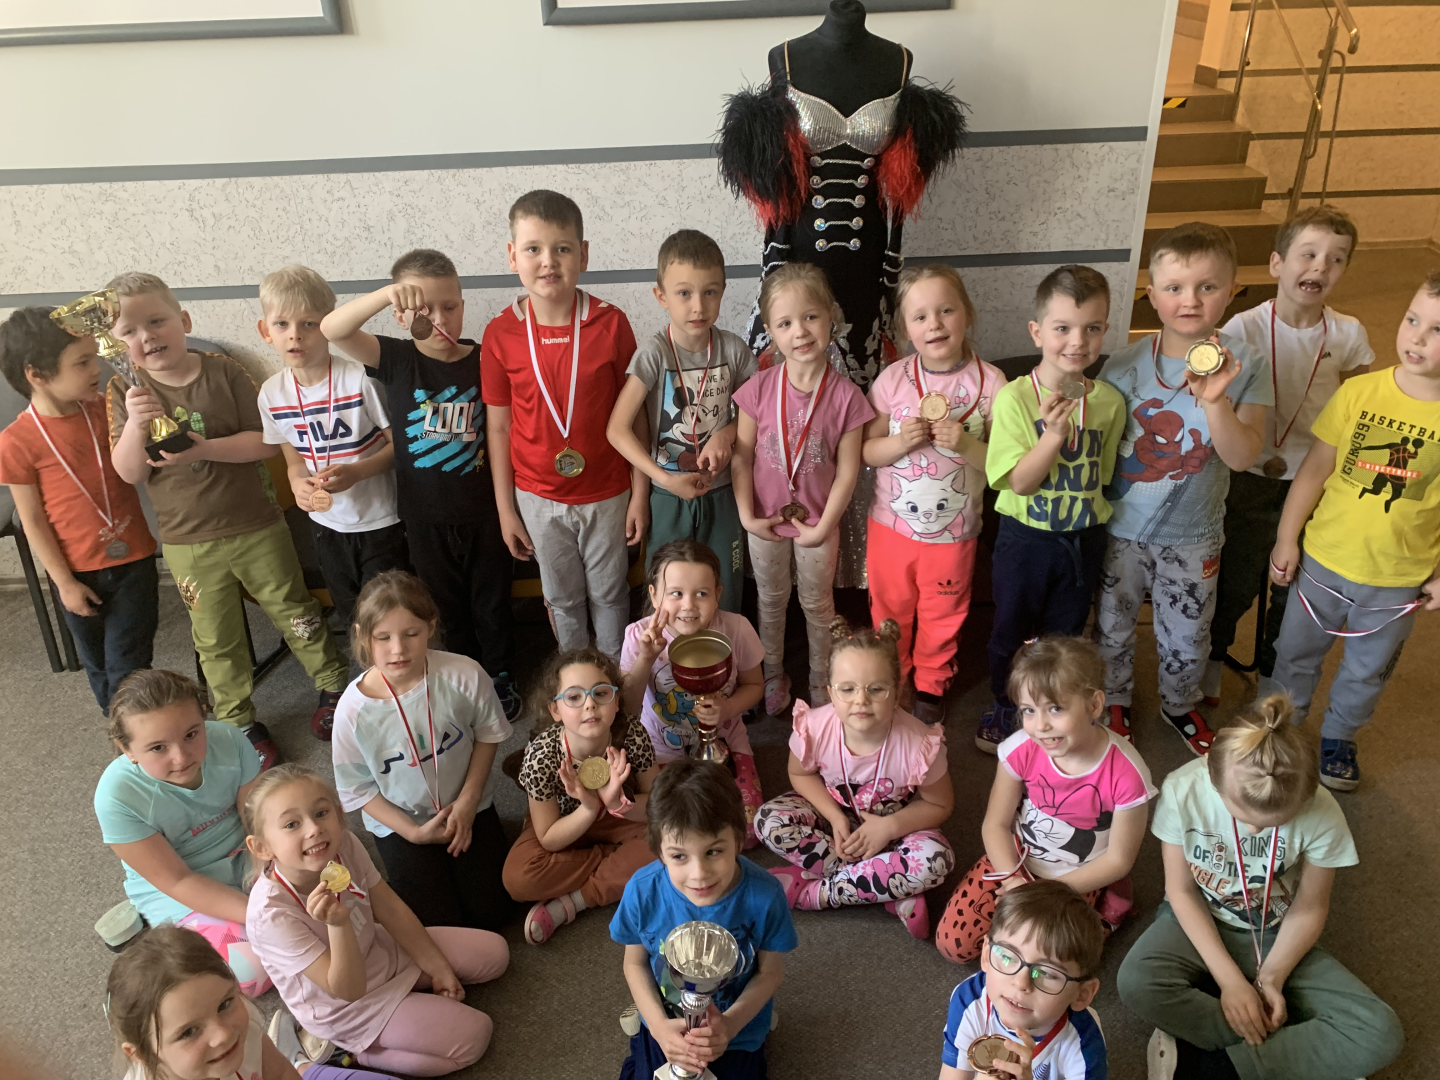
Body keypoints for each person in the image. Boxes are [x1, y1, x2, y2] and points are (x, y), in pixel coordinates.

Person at [106, 272, 347, 767]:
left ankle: (333, 686)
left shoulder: (224, 372)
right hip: (186, 541)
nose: (147, 336)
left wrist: (204, 449)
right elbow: (129, 471)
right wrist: (135, 423)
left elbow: (266, 442)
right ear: (115, 343)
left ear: (184, 320)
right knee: (215, 637)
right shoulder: (124, 388)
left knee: (294, 609)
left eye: (157, 321)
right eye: (129, 331)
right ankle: (238, 722)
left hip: (257, 525)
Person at [1118, 697, 1403, 1080]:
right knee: (1136, 982)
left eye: (1274, 824)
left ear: (1306, 797)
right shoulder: (1183, 789)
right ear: (1212, 778)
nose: (1254, 830)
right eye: (1241, 817)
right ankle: (1289, 1051)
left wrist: (1271, 978)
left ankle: (1213, 1066)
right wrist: (1230, 982)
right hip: (1196, 922)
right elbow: (1181, 892)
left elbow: (1310, 906)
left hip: (1276, 933)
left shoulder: (1323, 812)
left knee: (1380, 1031)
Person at [320, 248, 520, 718]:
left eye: (450, 306)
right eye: (425, 309)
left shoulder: (485, 358)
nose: (441, 319)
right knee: (445, 606)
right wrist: (388, 293)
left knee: (492, 603)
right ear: (402, 313)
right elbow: (333, 329)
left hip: (486, 513)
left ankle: (500, 673)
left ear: (463, 305)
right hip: (424, 518)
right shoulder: (395, 358)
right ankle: (464, 674)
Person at [1094, 224, 1271, 752]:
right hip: (1122, 529)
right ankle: (1115, 697)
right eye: (1174, 287)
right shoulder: (1123, 365)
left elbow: (1242, 456)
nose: (1189, 300)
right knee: (1112, 625)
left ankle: (1179, 702)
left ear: (1232, 289)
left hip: (1195, 536)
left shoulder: (1248, 364)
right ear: (1152, 295)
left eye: (1207, 286)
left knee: (1189, 633)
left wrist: (1215, 402)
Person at [1267, 272, 1440, 791]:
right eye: (1413, 319)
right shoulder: (1360, 391)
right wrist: (1287, 538)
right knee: (1294, 652)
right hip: (1323, 561)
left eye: (1437, 330)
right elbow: (1314, 471)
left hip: (1397, 578)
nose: (1416, 336)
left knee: (1367, 669)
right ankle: (1280, 723)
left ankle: (1340, 737)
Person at [1203, 208, 1372, 703]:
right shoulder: (1243, 327)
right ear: (1277, 263)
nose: (1320, 267)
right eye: (1308, 254)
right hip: (1250, 475)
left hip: (1315, 478)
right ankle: (1212, 655)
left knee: (1294, 589)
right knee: (1235, 579)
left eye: (1336, 259)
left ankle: (1275, 679)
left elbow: (1358, 411)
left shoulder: (1348, 334)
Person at [244, 764, 508, 1077]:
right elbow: (348, 989)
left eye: (321, 813)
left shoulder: (344, 844)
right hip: (347, 1006)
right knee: (474, 1036)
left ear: (339, 814)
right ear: (262, 847)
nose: (313, 829)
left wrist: (436, 966)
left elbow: (391, 909)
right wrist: (338, 925)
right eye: (291, 824)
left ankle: (407, 1005)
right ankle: (355, 1051)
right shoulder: (270, 916)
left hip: (381, 950)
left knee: (496, 954)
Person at [482, 189, 644, 659]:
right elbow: (498, 429)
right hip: (537, 496)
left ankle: (614, 679)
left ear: (583, 255)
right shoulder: (500, 334)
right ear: (513, 255)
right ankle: (575, 680)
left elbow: (637, 417)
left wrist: (640, 493)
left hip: (608, 492)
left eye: (562, 248)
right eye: (533, 248)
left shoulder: (611, 324)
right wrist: (506, 509)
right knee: (562, 598)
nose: (548, 261)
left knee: (611, 593)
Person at [936, 637, 1155, 965]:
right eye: (1029, 710)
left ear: (1094, 705)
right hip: (1017, 861)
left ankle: (1110, 904)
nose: (1040, 726)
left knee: (1051, 960)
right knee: (954, 945)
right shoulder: (1020, 748)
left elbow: (1119, 860)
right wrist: (1013, 879)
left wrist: (1048, 891)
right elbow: (995, 825)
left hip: (1078, 875)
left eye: (1056, 708)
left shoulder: (1127, 774)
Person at [979, 266, 1125, 751]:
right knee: (1010, 631)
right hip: (1025, 541)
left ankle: (1053, 711)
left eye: (1092, 328)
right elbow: (1020, 482)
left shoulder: (1109, 402)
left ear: (1105, 330)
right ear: (1037, 331)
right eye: (1063, 328)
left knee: (1066, 640)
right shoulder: (1015, 398)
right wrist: (1054, 436)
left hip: (1082, 541)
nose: (1077, 341)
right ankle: (1006, 703)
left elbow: (1103, 477)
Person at [330, 571, 515, 931]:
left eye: (411, 634)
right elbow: (358, 789)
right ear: (363, 637)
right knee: (436, 923)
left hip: (468, 805)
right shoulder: (352, 711)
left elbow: (488, 734)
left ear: (430, 627)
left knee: (493, 914)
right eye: (383, 637)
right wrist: (412, 834)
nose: (398, 649)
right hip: (401, 823)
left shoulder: (465, 674)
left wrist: (468, 800)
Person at [863, 265, 1004, 725]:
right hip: (891, 530)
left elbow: (1003, 468)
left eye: (946, 311)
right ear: (905, 328)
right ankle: (892, 678)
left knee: (944, 613)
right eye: (920, 316)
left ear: (968, 313)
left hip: (954, 534)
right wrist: (899, 443)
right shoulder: (891, 380)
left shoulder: (993, 384)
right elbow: (866, 450)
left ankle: (931, 684)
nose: (935, 324)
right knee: (890, 611)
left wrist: (965, 444)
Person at [0, 307, 157, 714]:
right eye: (82, 362)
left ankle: (134, 735)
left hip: (133, 560)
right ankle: (125, 733)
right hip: (74, 572)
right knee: (99, 666)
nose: (96, 369)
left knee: (129, 665)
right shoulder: (17, 441)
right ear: (37, 374)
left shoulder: (107, 410)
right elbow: (32, 520)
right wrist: (64, 582)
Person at [757, 617, 954, 939]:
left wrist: (889, 827)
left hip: (896, 829)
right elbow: (799, 773)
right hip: (833, 820)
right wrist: (835, 817)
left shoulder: (919, 743)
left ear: (896, 692)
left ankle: (817, 892)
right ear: (831, 693)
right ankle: (889, 887)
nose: (861, 700)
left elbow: (940, 804)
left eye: (876, 689)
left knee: (936, 860)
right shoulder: (814, 727)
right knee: (768, 821)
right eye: (847, 689)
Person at [733, 262, 872, 713]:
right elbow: (742, 456)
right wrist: (747, 516)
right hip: (764, 521)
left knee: (818, 604)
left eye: (811, 317)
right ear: (770, 331)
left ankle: (820, 677)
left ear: (831, 315)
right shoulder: (757, 389)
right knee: (771, 601)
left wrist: (824, 526)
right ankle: (772, 672)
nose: (800, 331)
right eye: (786, 323)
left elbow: (848, 472)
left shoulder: (847, 397)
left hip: (819, 525)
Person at [611, 759, 798, 1080]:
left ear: (738, 839)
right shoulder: (643, 890)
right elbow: (634, 963)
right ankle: (642, 1024)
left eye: (713, 851)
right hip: (666, 1022)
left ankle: (762, 1023)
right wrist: (658, 1026)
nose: (699, 874)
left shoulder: (765, 895)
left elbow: (770, 972)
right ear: (659, 851)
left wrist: (731, 1024)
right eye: (679, 856)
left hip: (736, 1030)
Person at [93, 669, 270, 996]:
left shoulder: (230, 740)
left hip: (246, 852)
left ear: (203, 717)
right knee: (251, 971)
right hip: (176, 884)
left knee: (333, 865)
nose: (181, 757)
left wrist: (277, 876)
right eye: (158, 748)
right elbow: (177, 880)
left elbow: (258, 823)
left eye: (191, 734)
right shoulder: (116, 797)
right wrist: (266, 913)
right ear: (126, 749)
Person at [607, 229, 758, 611]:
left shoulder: (734, 350)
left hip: (723, 492)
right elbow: (617, 430)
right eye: (684, 293)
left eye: (710, 292)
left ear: (723, 291)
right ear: (661, 296)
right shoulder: (654, 354)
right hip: (667, 495)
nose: (698, 306)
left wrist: (727, 433)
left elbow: (757, 415)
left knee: (724, 592)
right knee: (667, 593)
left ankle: (724, 651)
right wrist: (660, 481)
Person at [255, 264, 405, 637]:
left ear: (328, 325)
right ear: (265, 331)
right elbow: (293, 461)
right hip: (327, 527)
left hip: (380, 521)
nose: (295, 335)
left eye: (309, 323)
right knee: (351, 613)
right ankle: (369, 671)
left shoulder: (360, 380)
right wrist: (297, 484)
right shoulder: (271, 394)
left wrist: (358, 472)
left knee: (387, 613)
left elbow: (400, 448)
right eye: (282, 324)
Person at [503, 647, 659, 945]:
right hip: (563, 822)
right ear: (555, 710)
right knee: (518, 879)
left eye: (601, 693)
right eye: (574, 697)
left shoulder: (632, 734)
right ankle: (616, 861)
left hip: (619, 818)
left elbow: (657, 806)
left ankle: (576, 900)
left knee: (670, 840)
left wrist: (615, 803)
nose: (590, 704)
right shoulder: (541, 755)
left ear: (616, 702)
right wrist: (588, 809)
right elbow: (549, 837)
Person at [620, 540, 765, 843]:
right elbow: (628, 708)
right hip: (661, 748)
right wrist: (646, 658)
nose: (688, 605)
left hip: (726, 742)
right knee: (677, 830)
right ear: (654, 595)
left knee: (748, 833)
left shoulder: (737, 629)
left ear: (718, 594)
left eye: (701, 593)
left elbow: (755, 686)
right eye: (676, 593)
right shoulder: (637, 636)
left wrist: (727, 709)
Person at [105, 925, 390, 1080]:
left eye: (224, 1004)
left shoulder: (241, 1025)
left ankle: (297, 1057)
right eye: (188, 1032)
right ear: (142, 1055)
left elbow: (280, 1073)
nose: (222, 1034)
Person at [938, 880, 1109, 1080]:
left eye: (1047, 973)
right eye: (1007, 957)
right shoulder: (969, 1001)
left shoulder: (1084, 1045)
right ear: (986, 955)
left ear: (1082, 994)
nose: (1021, 983)